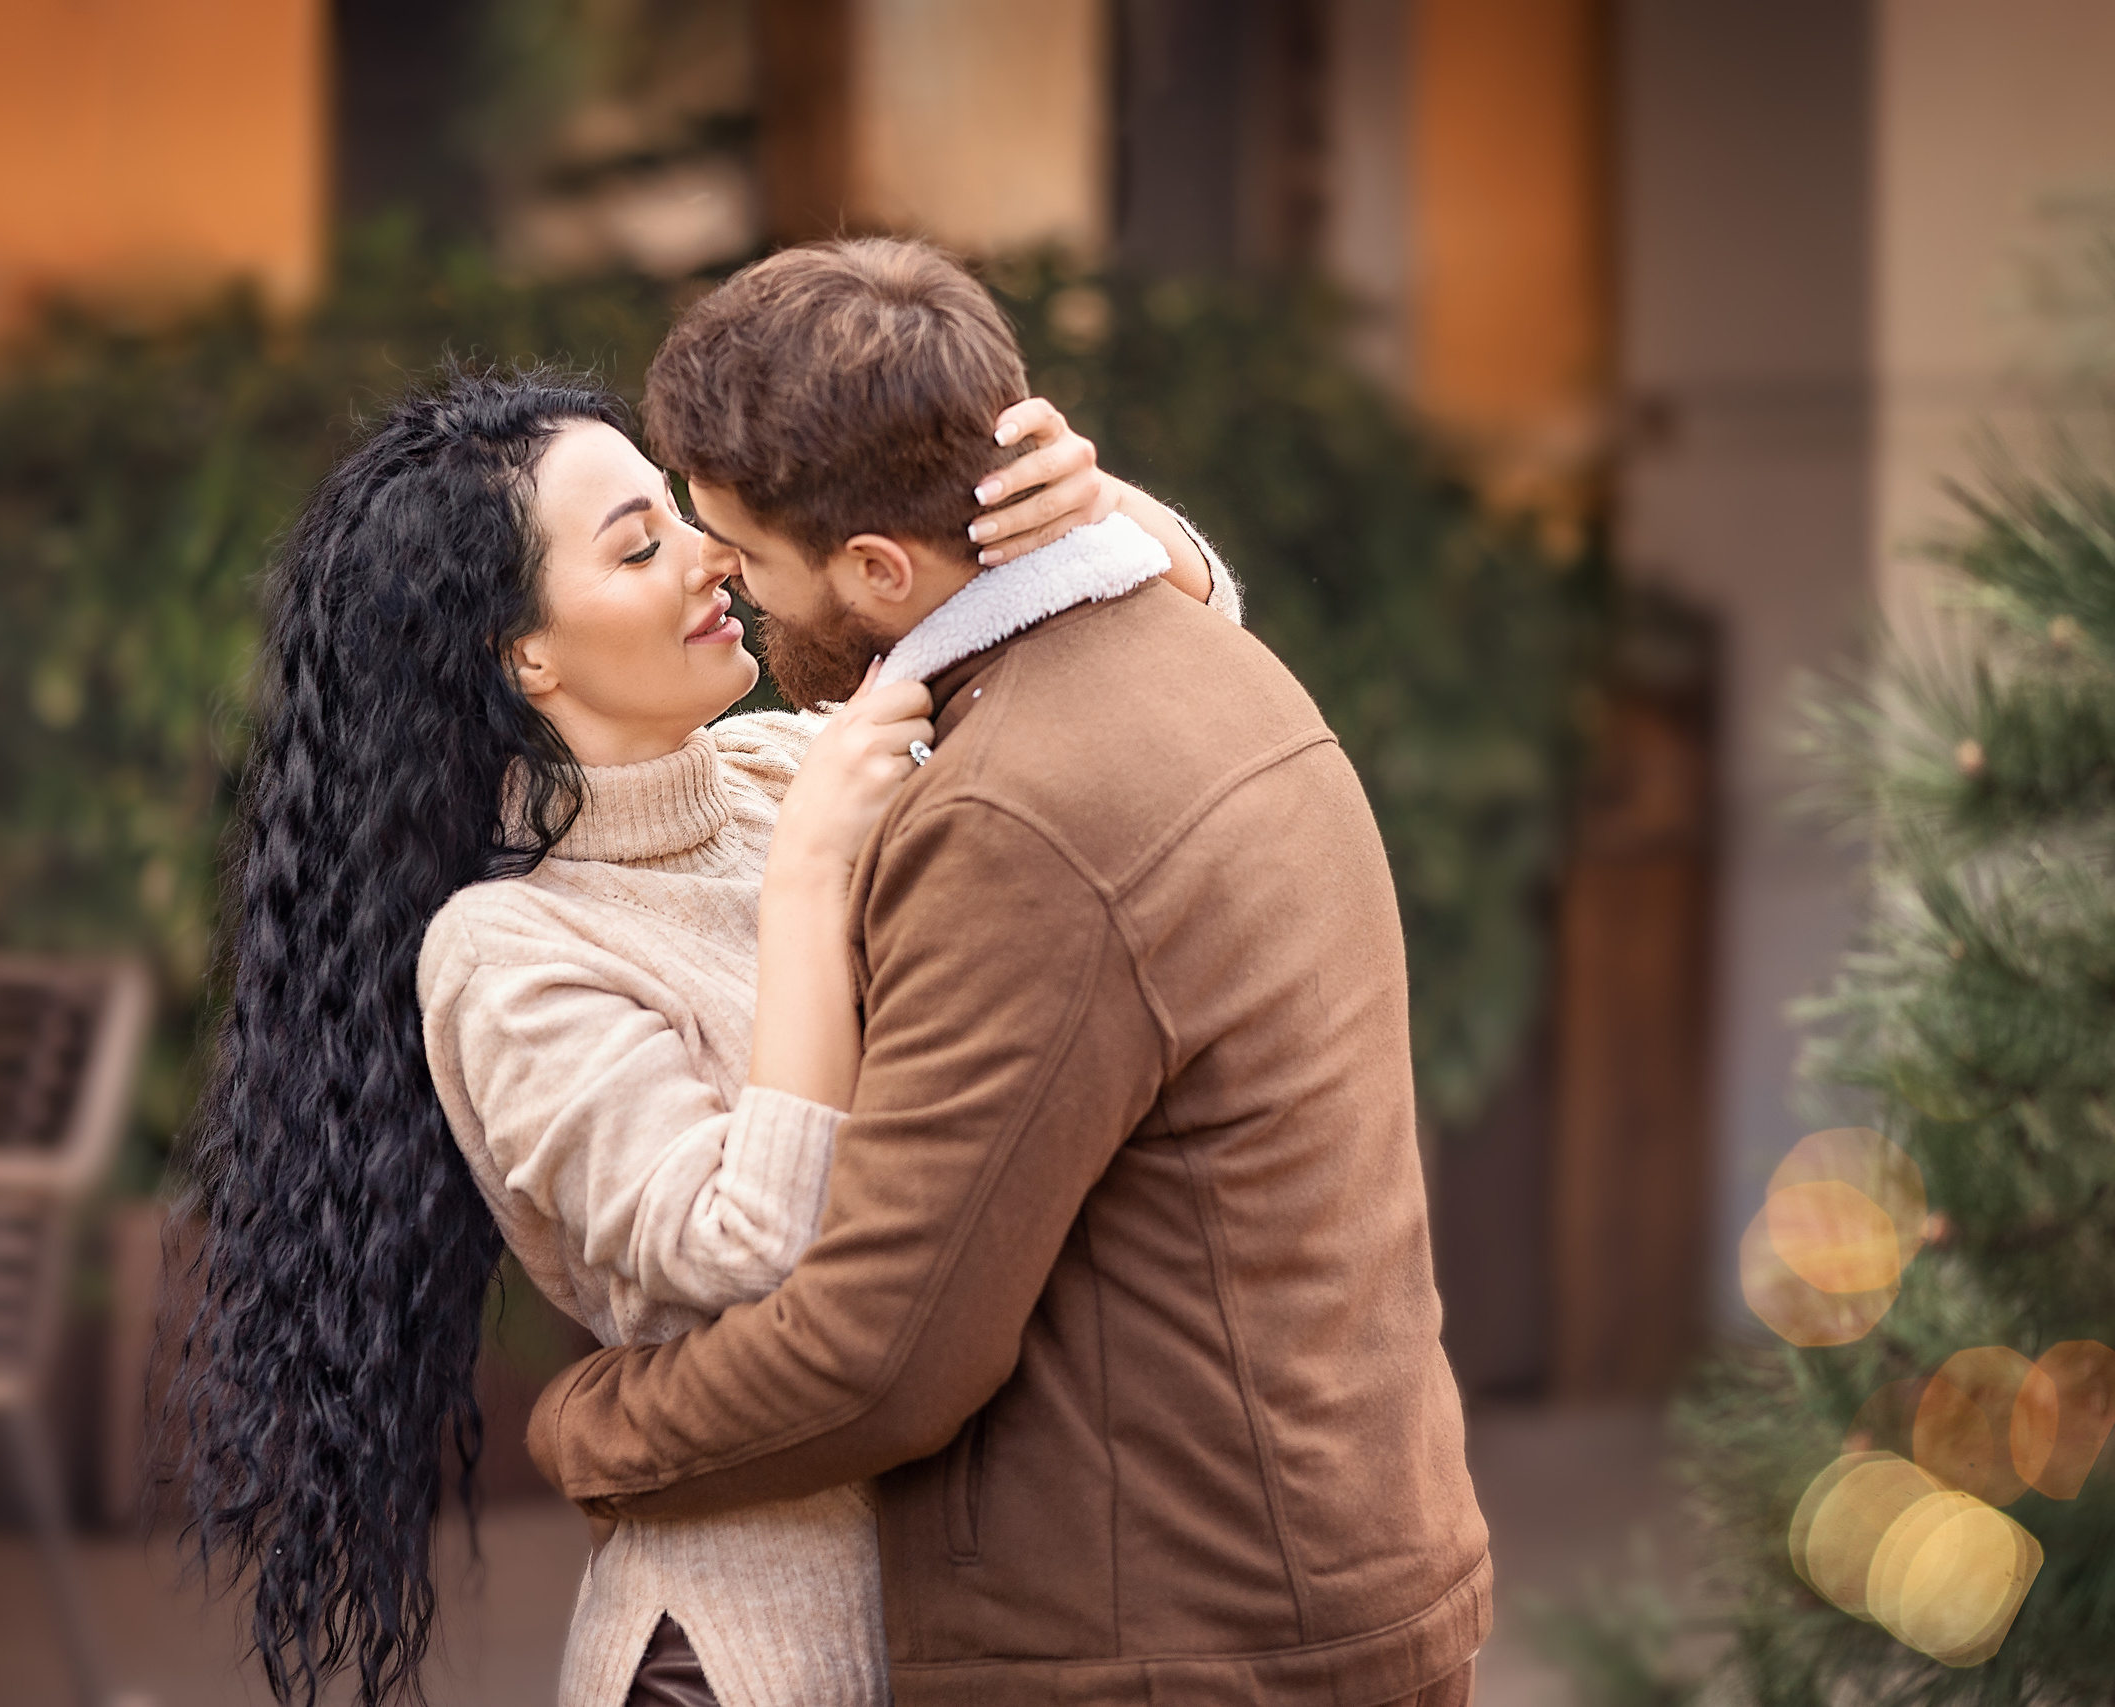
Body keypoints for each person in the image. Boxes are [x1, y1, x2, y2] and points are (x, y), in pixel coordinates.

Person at [173, 361, 1234, 1707]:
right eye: (641, 546)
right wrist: (804, 888)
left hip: (986, 1620)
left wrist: (1089, 513)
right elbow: (750, 1259)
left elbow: (1162, 721)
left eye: (684, 517)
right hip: (750, 1656)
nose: (712, 559)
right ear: (522, 656)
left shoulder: (793, 765)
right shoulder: (508, 953)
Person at [523, 239, 1492, 1707]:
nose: (720, 575)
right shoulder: (1203, 655)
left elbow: (883, 1356)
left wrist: (584, 1428)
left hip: (1176, 1641)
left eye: (738, 545)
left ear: (875, 569)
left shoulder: (1012, 814)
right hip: (1326, 1582)